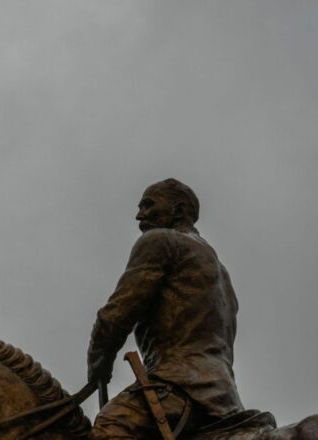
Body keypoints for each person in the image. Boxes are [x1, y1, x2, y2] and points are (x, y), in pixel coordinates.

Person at [87, 178, 245, 439]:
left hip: (179, 385)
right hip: (224, 397)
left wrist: (98, 366)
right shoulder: (220, 272)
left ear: (179, 210)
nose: (140, 215)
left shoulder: (161, 241)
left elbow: (115, 317)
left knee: (109, 429)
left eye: (148, 205)